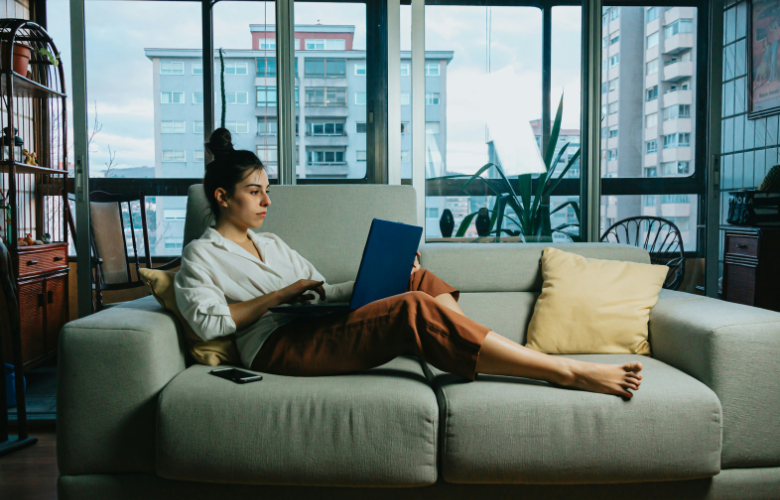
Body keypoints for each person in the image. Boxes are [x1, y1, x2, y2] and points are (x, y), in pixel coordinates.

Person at [175, 129, 643, 399]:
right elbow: (210, 321)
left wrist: (384, 273)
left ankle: (468, 347)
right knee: (412, 308)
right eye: (255, 191)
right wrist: (279, 296)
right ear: (222, 197)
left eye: (267, 190)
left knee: (415, 279)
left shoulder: (272, 243)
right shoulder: (201, 255)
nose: (266, 201)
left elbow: (317, 291)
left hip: (311, 325)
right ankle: (563, 371)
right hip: (276, 347)